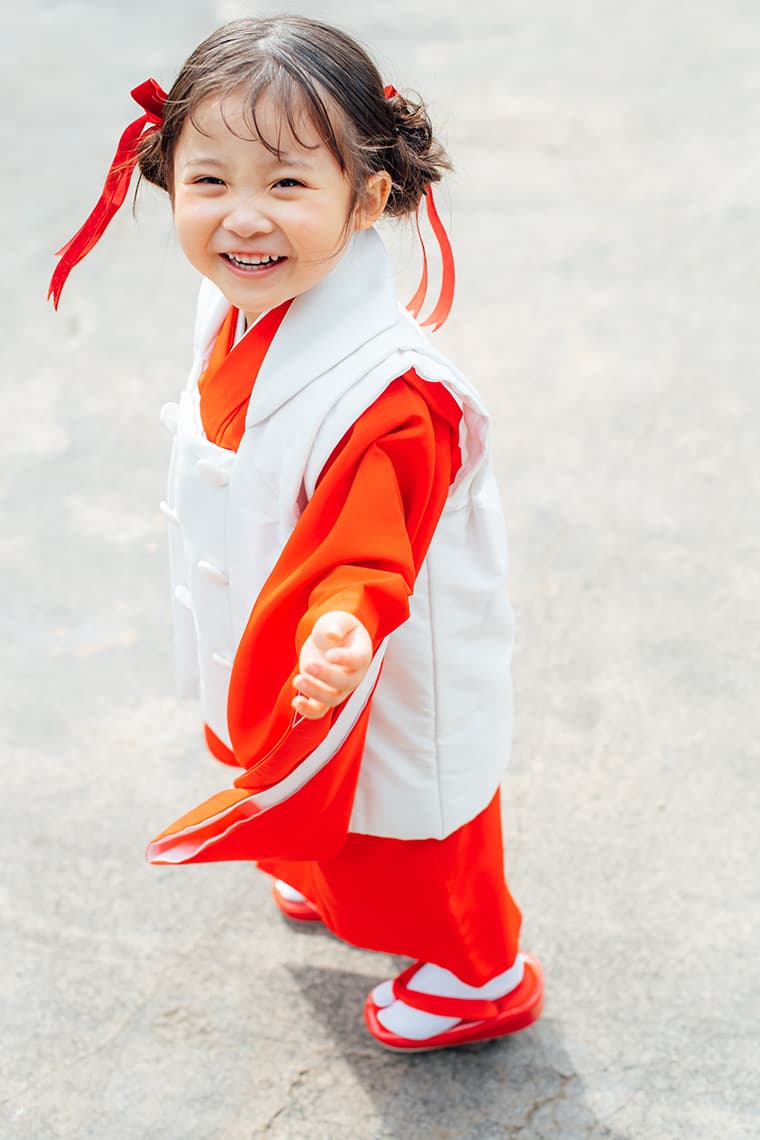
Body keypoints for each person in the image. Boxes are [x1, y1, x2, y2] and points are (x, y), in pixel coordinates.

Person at [49, 15, 543, 1052]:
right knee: (312, 785)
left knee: (413, 828)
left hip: (368, 643)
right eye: (210, 181)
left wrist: (348, 623)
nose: (241, 220)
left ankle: (478, 971)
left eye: (285, 185)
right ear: (166, 176)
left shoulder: (390, 397)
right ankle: (318, 867)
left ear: (367, 200)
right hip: (285, 630)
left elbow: (367, 546)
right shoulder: (237, 305)